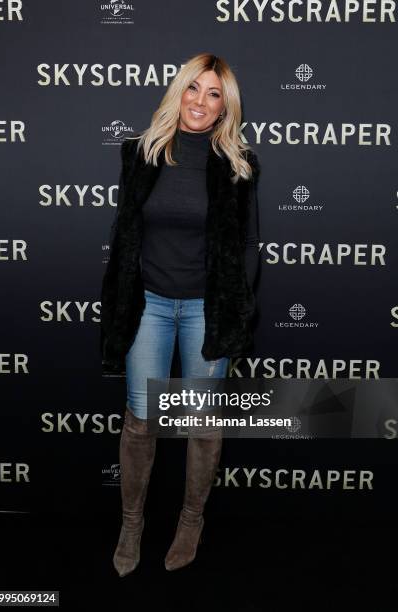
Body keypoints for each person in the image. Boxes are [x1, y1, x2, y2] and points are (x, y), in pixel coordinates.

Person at [99, 52, 261, 575]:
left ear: (224, 107)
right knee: (141, 422)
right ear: (178, 92)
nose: (200, 101)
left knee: (200, 423)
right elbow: (125, 237)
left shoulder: (238, 165)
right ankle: (132, 522)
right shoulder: (141, 154)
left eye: (213, 93)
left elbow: (249, 248)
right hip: (148, 306)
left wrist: (235, 311)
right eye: (193, 88)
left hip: (204, 312)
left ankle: (192, 520)